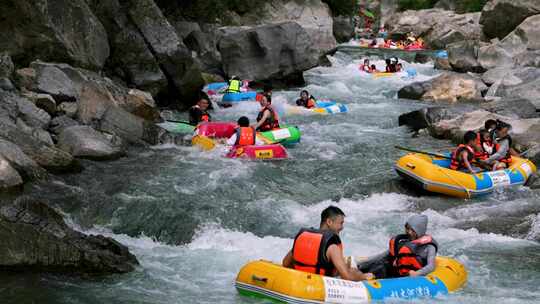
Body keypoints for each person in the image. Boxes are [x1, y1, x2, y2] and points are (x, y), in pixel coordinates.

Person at [282, 206, 373, 281]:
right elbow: (347, 277)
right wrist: (363, 276)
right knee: (354, 272)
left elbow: (285, 263)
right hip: (320, 286)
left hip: (299, 281)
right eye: (341, 223)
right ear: (329, 222)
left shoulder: (304, 237)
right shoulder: (332, 246)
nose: (342, 227)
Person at [357, 214, 438, 279]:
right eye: (407, 229)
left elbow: (431, 266)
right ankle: (356, 273)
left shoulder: (429, 246)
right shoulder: (403, 242)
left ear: (420, 230)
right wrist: (360, 264)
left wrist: (417, 273)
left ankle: (364, 278)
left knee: (382, 268)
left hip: (407, 275)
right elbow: (383, 255)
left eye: (413, 230)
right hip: (393, 270)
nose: (409, 232)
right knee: (379, 264)